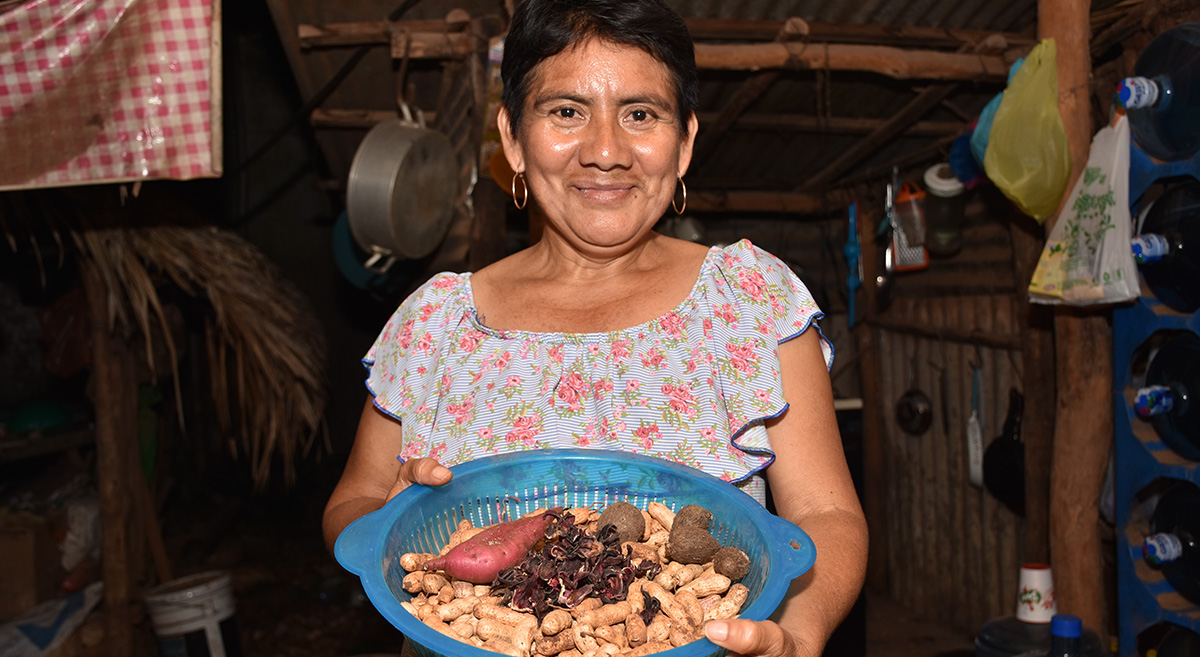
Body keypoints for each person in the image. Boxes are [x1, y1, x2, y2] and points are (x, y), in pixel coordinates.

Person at [323, 0, 868, 655]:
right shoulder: (434, 324)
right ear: (513, 137)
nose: (606, 151)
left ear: (686, 140)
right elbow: (350, 504)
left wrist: (798, 635)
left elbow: (827, 514)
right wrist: (392, 523)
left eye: (640, 113)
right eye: (565, 111)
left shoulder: (750, 299)